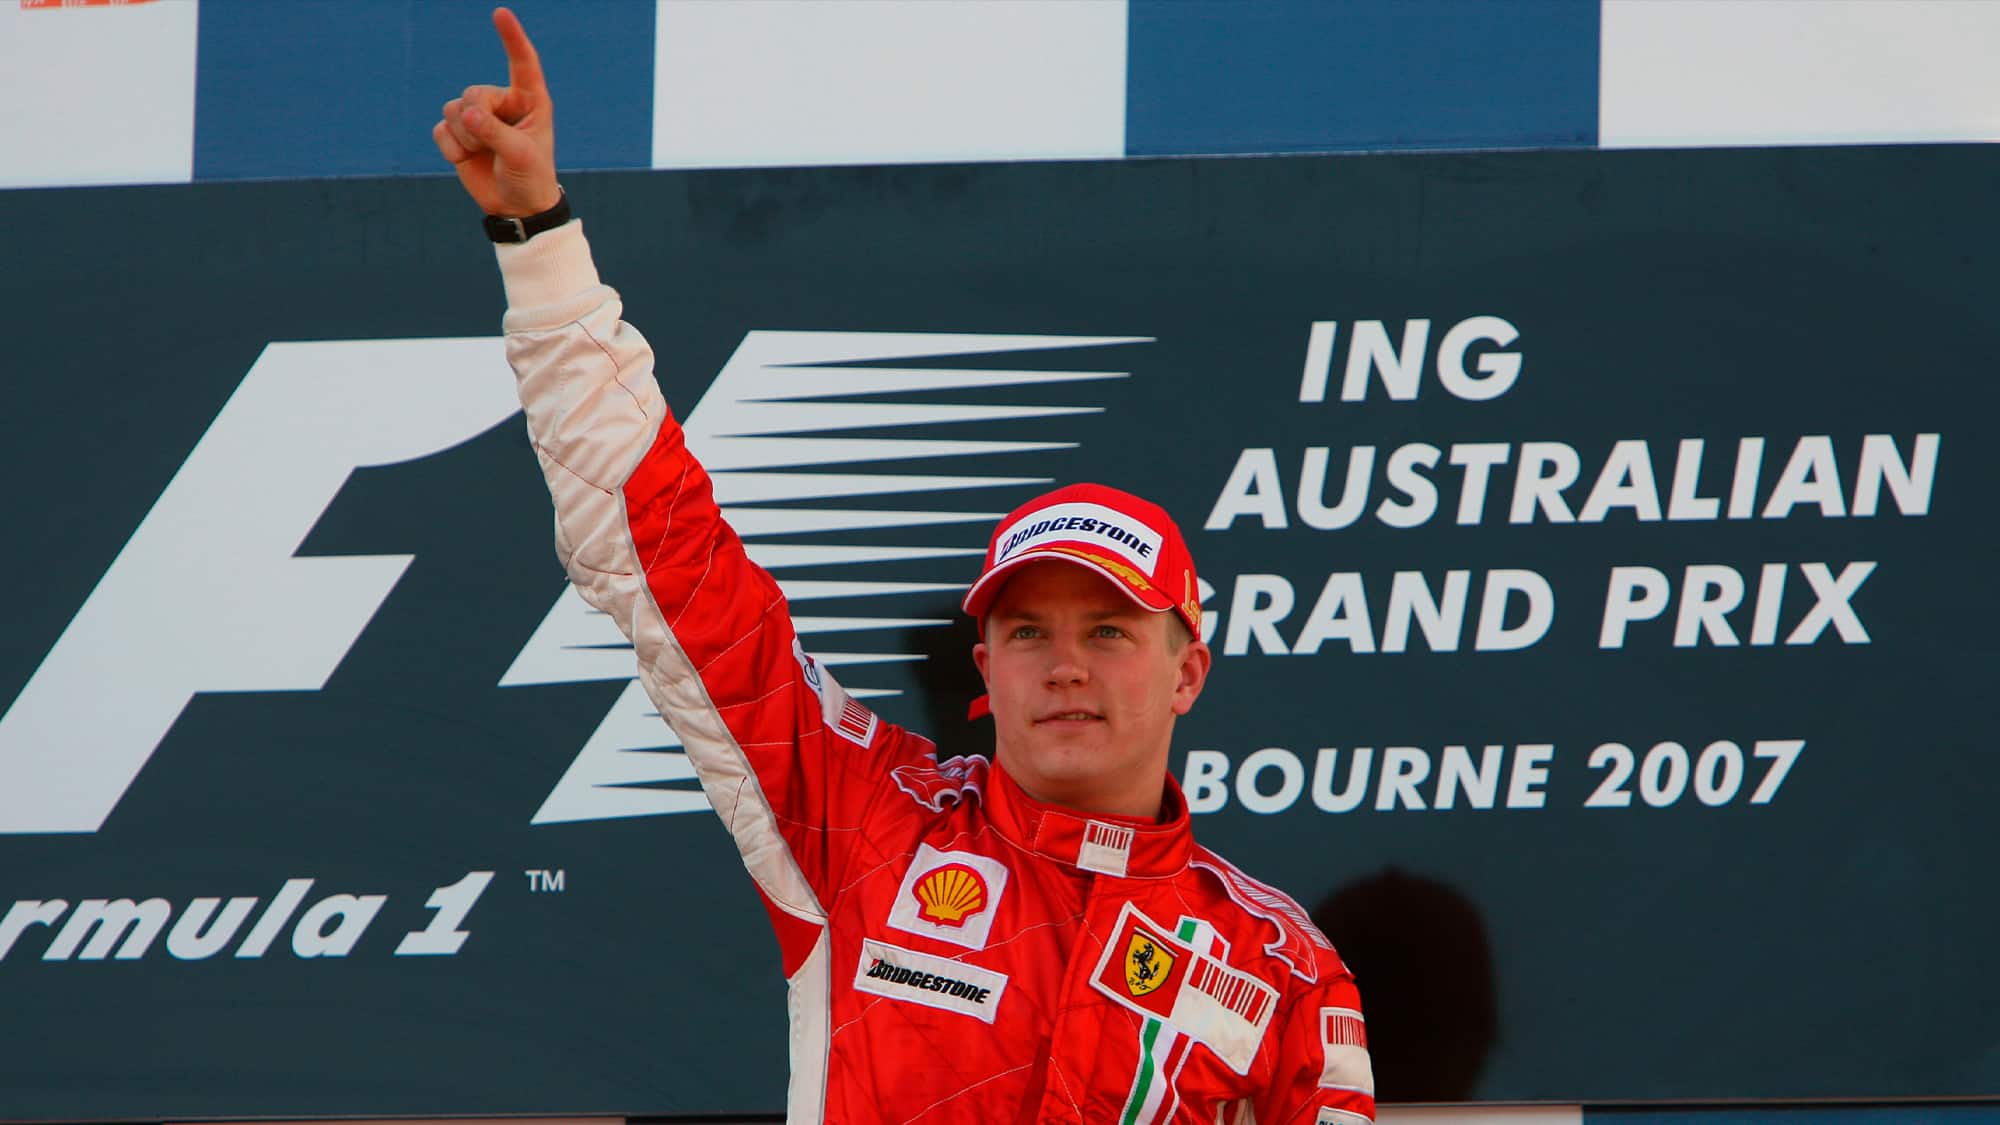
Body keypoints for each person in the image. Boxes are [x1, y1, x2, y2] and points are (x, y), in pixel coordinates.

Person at [435, 10, 1373, 1123]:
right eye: (1028, 631)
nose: (1065, 665)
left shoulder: (1283, 969)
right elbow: (659, 554)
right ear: (984, 667)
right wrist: (538, 240)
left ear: (1186, 672)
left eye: (1109, 630)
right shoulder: (861, 818)